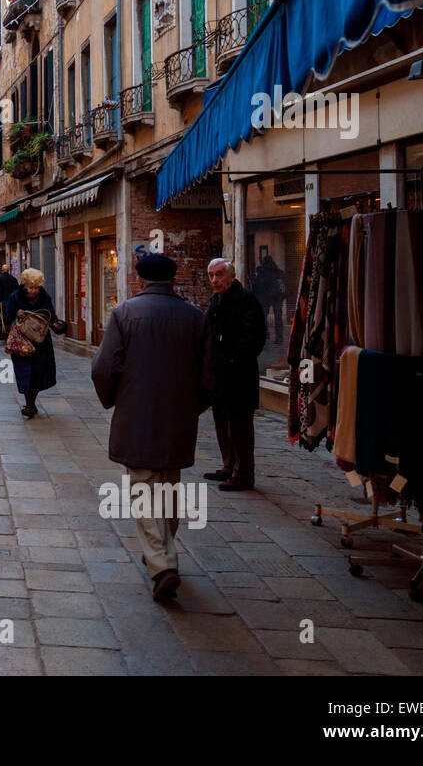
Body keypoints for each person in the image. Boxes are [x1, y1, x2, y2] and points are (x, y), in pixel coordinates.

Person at [90, 253, 205, 602]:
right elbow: (211, 374)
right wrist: (192, 407)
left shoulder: (124, 314)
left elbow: (102, 368)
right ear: (173, 280)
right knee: (169, 486)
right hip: (178, 418)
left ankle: (162, 563)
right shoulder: (195, 317)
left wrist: (115, 400)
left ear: (140, 280)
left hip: (137, 416)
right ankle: (162, 555)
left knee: (143, 489)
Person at [201, 258, 268, 492]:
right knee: (221, 420)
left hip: (239, 375)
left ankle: (244, 473)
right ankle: (228, 465)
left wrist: (233, 359)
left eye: (219, 274)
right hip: (219, 374)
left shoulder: (246, 300)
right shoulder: (216, 300)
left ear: (232, 275)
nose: (215, 280)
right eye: (211, 275)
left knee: (240, 425)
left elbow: (255, 337)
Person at [3, 268, 66, 418]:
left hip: (40, 344)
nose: (34, 291)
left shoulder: (45, 298)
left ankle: (31, 404)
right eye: (31, 288)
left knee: (37, 374)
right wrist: (15, 314)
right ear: (25, 286)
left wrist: (58, 325)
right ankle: (29, 404)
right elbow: (7, 317)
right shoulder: (15, 297)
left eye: (36, 288)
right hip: (21, 343)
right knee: (24, 373)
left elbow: (51, 318)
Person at [252, 255, 286, 346]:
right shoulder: (278, 272)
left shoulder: (261, 271)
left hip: (266, 297)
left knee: (263, 316)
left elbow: (258, 284)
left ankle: (266, 335)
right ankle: (279, 338)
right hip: (277, 297)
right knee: (278, 318)